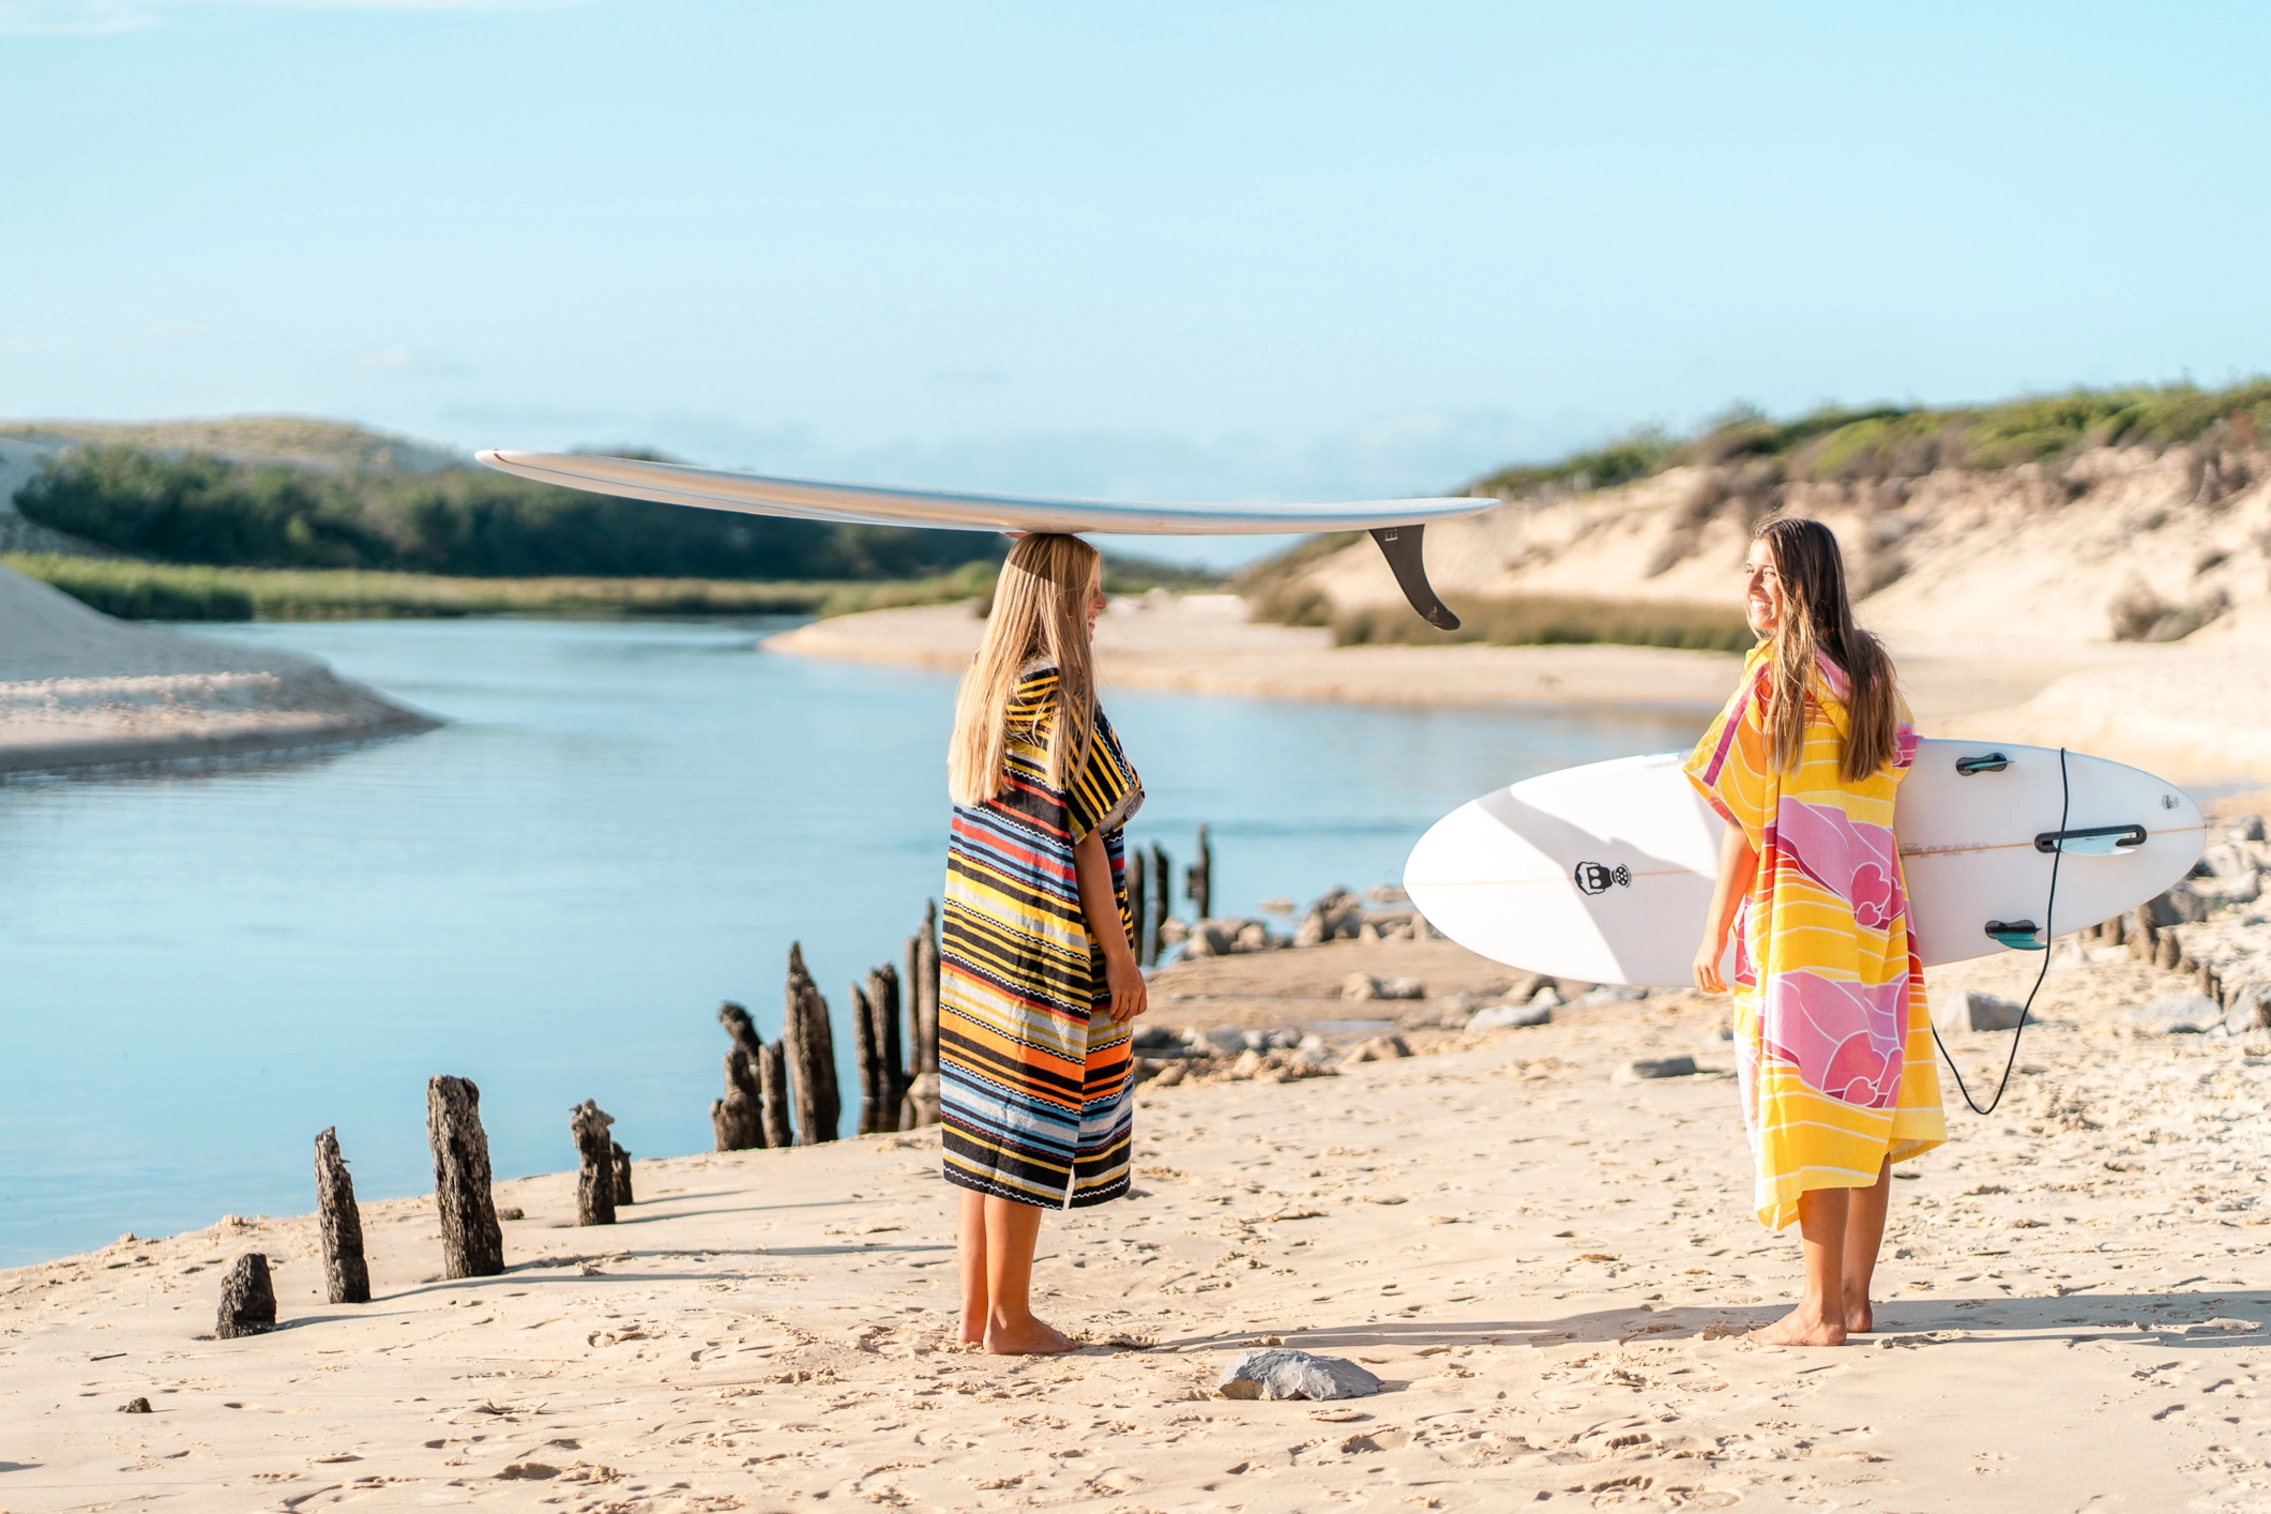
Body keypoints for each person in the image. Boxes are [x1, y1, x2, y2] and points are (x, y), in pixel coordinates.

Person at [1685, 516, 1944, 1347]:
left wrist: (1714, 932)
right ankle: (1856, 1300)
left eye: (1765, 574)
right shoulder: (1869, 672)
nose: (1750, 589)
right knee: (1860, 1101)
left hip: (1801, 923)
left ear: (1801, 584)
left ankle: (1818, 1311)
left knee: (1806, 1103)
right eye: (1746, 573)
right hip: (1872, 921)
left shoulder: (1771, 679)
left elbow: (1742, 819)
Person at [938, 533, 1148, 1355]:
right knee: (1025, 1128)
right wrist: (1121, 957)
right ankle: (1013, 1322)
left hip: (981, 943)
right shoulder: (1062, 696)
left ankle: (973, 1317)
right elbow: (1087, 838)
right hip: (1048, 944)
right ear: (1059, 600)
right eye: (1091, 590)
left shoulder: (984, 693)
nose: (1101, 605)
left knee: (984, 1123)